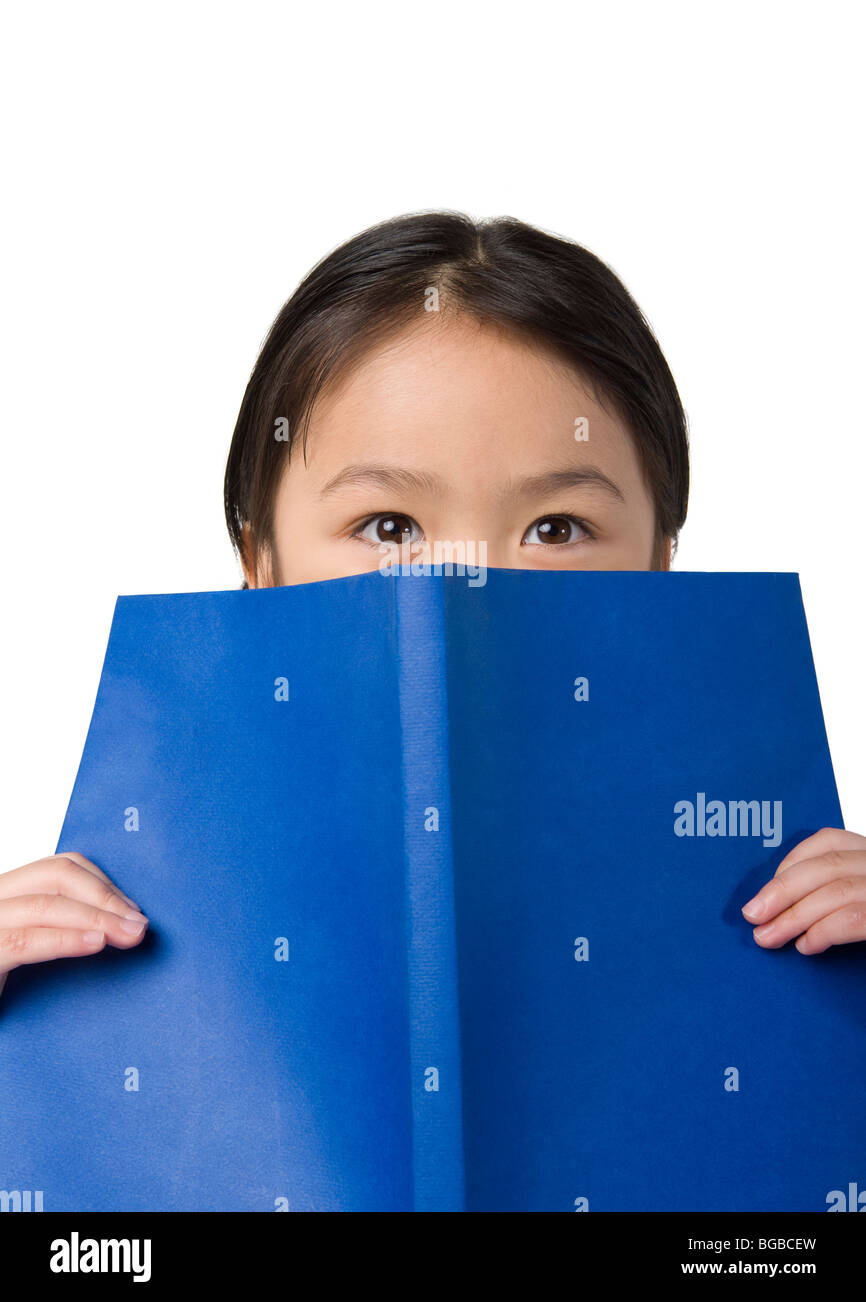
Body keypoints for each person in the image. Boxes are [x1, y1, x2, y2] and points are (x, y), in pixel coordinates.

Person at [1, 210, 863, 1004]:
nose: (466, 588)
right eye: (388, 525)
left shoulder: (782, 888)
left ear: (661, 562)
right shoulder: (108, 918)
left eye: (556, 527)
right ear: (258, 560)